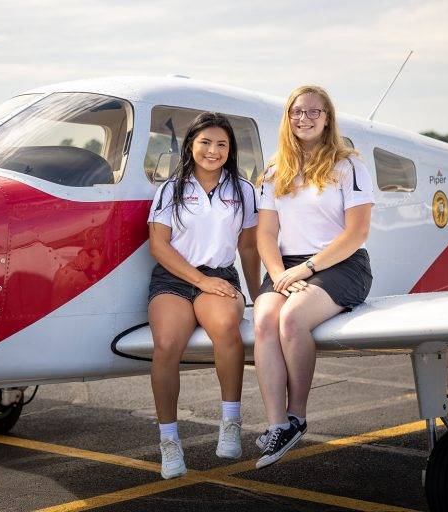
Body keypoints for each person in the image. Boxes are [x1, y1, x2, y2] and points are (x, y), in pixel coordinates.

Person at [253, 85, 374, 469]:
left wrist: (306, 270)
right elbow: (266, 234)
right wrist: (278, 274)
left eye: (312, 112)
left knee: (291, 319)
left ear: (327, 118)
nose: (303, 119)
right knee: (264, 320)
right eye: (295, 112)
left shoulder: (349, 165)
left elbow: (356, 234)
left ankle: (297, 417)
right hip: (286, 266)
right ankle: (276, 425)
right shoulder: (274, 171)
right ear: (287, 119)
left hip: (340, 263)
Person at [148, 112, 260, 479]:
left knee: (228, 325)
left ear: (231, 150)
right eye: (205, 143)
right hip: (174, 278)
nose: (213, 151)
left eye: (221, 144)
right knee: (166, 344)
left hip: (220, 275)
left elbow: (248, 247)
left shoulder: (243, 190)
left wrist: (259, 296)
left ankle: (230, 421)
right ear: (191, 146)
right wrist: (199, 280)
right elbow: (159, 247)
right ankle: (169, 441)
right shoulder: (171, 189)